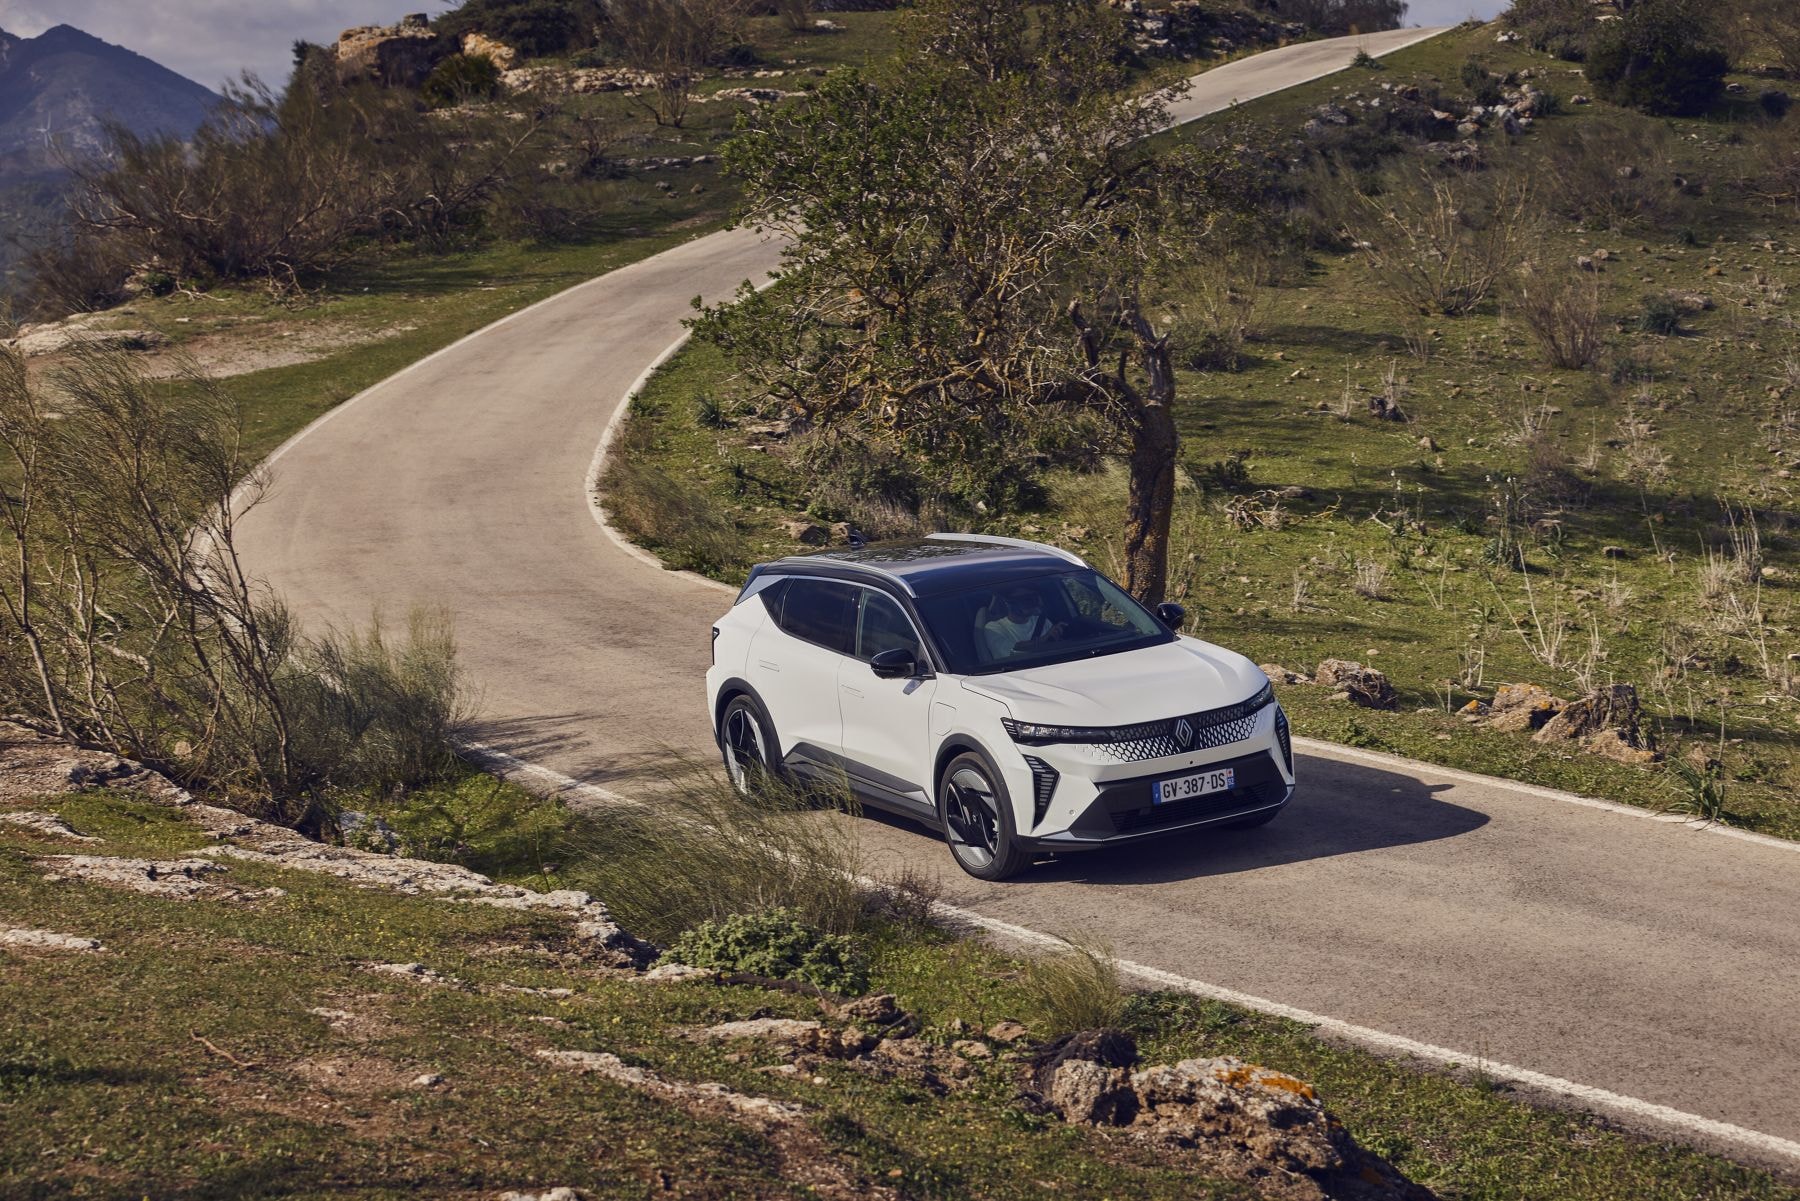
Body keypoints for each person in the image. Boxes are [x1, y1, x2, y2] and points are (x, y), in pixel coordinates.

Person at [981, 586, 1065, 661]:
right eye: (1024, 599)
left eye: (1033, 597)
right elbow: (1010, 654)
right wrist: (1043, 639)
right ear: (1007, 602)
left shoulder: (1043, 622)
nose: (1030, 602)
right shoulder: (994, 628)